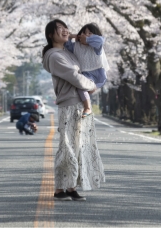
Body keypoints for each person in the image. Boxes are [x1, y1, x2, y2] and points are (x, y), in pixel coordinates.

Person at [42, 19, 104, 201]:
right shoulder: (55, 56)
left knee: (77, 145)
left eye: (65, 28)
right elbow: (74, 76)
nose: (64, 31)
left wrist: (78, 36)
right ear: (50, 35)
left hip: (78, 103)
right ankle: (65, 187)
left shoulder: (66, 52)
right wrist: (93, 85)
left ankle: (66, 187)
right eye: (58, 29)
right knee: (68, 146)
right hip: (69, 104)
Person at [64, 23, 109, 118]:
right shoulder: (76, 46)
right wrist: (72, 36)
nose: (86, 35)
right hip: (85, 74)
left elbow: (100, 40)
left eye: (90, 33)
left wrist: (87, 40)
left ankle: (87, 107)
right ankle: (86, 106)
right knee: (80, 88)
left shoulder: (96, 46)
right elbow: (66, 45)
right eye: (84, 33)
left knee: (82, 87)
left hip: (97, 73)